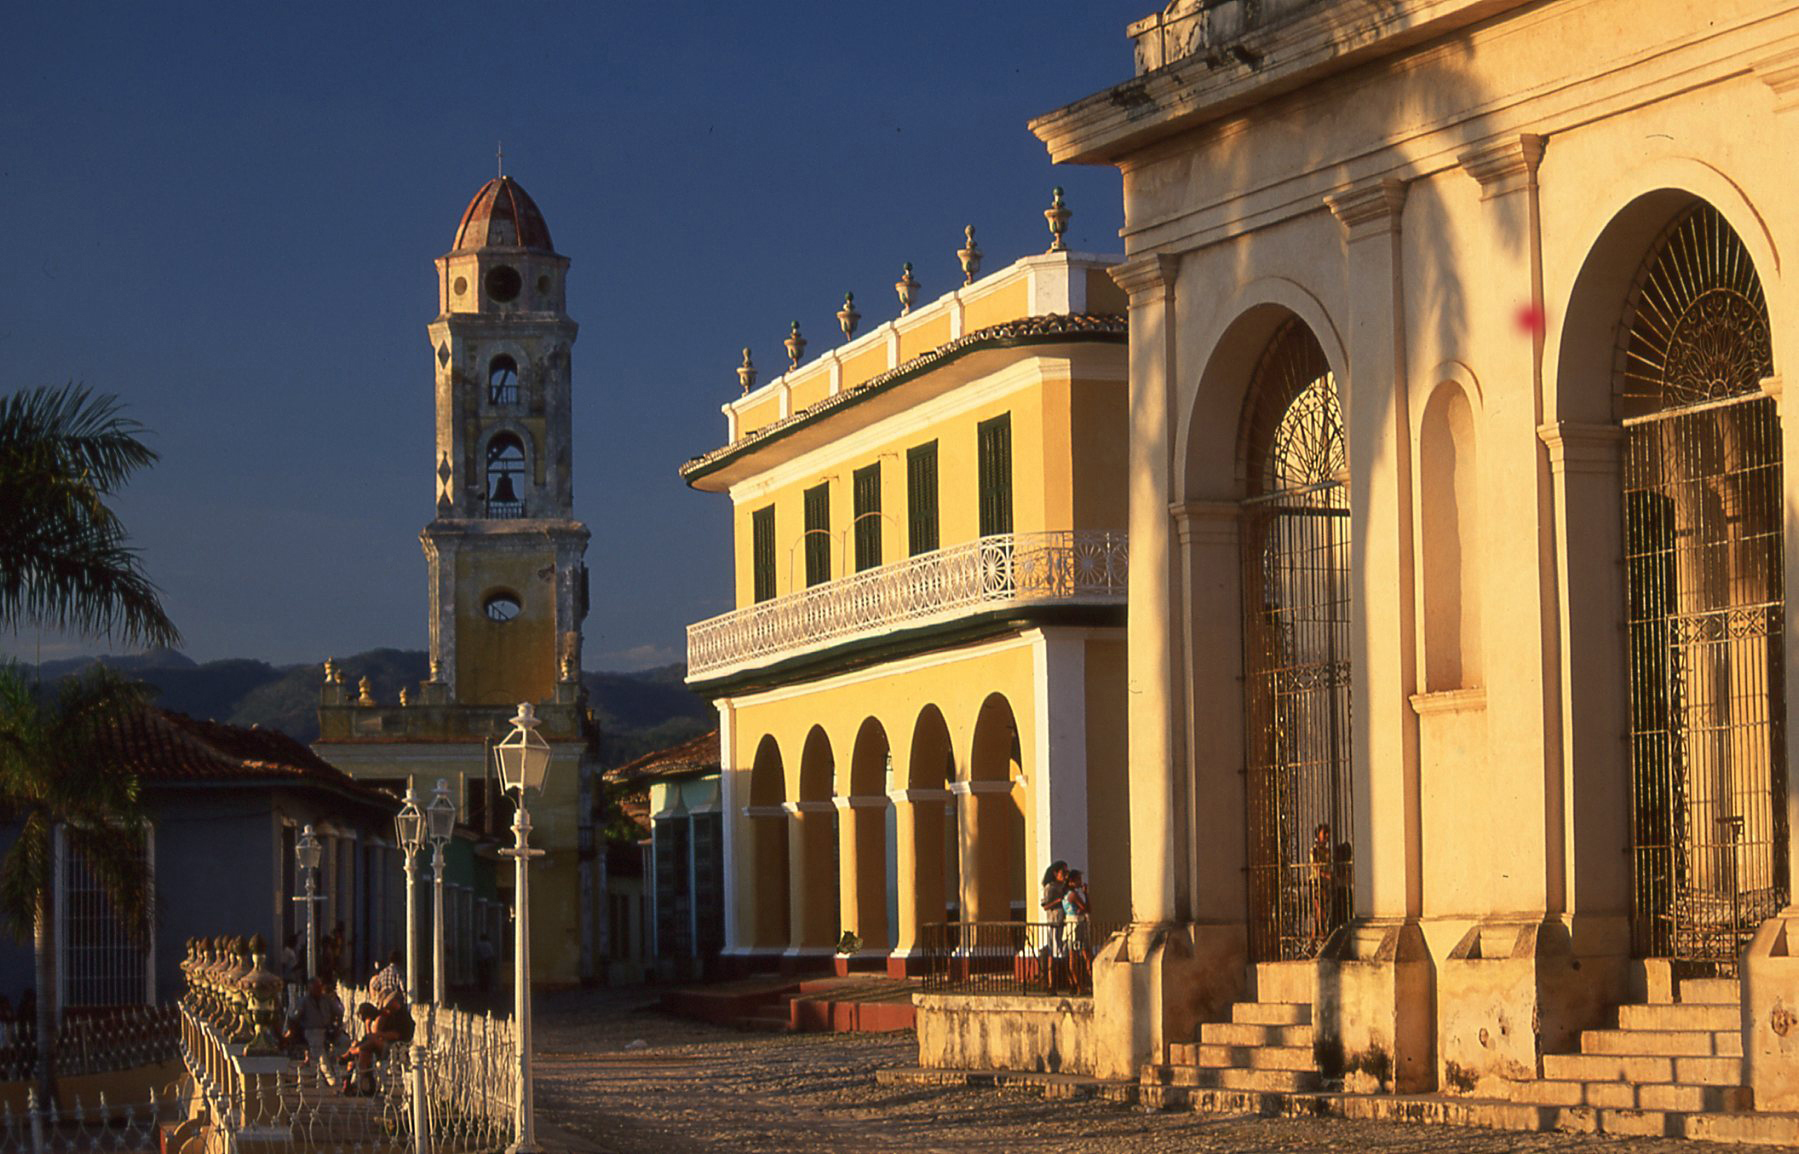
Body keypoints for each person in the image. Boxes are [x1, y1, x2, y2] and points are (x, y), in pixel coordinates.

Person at [1061, 869, 1092, 992]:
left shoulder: (1065, 895)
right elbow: (1087, 908)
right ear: (1072, 881)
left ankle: (1076, 984)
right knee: (1084, 955)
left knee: (1073, 955)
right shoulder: (1073, 895)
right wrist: (1086, 894)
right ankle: (1081, 983)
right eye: (1078, 879)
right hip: (1077, 925)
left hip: (1069, 924)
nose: (1080, 882)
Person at [475, 933, 496, 997]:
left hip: (480, 961)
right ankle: (488, 987)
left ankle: (482, 987)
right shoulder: (488, 944)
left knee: (481, 974)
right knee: (488, 974)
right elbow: (491, 953)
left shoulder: (478, 944)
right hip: (487, 961)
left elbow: (476, 952)